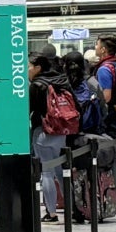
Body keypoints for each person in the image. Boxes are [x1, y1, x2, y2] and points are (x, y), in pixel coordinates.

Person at [29, 48, 74, 221]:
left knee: (46, 173)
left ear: (38, 67)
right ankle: (71, 208)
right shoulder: (62, 80)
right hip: (62, 130)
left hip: (43, 131)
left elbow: (29, 109)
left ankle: (52, 212)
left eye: (29, 66)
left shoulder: (37, 85)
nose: (27, 70)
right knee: (61, 170)